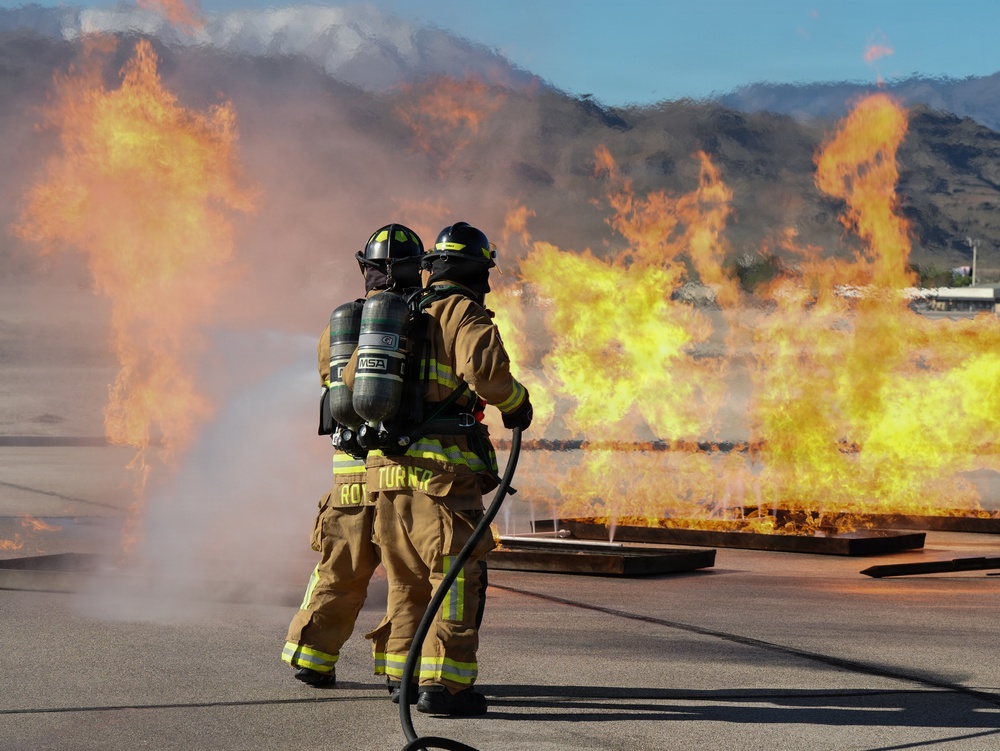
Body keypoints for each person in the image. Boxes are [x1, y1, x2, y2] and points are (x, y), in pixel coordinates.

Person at [344, 221, 533, 716]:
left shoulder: (400, 309)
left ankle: (400, 677)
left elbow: (348, 380)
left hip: (386, 478)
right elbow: (487, 373)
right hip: (441, 482)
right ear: (477, 271)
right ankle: (445, 689)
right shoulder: (461, 311)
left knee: (406, 583)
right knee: (454, 583)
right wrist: (516, 403)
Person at [282, 223, 424, 689]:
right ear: (415, 269)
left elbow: (332, 384)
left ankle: (312, 656)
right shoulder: (420, 318)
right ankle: (400, 671)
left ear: (365, 269)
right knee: (409, 574)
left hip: (347, 469)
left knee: (339, 566)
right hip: (400, 468)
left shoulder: (339, 325)